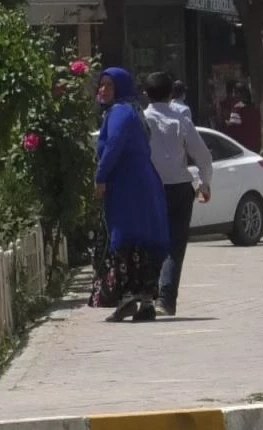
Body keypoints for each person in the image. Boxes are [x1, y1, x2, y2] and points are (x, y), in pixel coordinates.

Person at [94, 67, 170, 322]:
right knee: (144, 241)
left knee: (124, 240)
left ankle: (127, 299)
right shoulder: (132, 110)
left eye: (109, 86)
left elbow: (113, 146)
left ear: (121, 89)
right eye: (101, 85)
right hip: (143, 184)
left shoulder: (119, 113)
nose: (103, 90)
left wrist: (101, 177)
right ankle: (146, 302)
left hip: (128, 187)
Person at [143, 72, 214, 317]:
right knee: (175, 246)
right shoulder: (181, 120)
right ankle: (166, 300)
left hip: (151, 189)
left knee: (150, 242)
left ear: (146, 94)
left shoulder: (142, 121)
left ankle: (146, 296)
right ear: (172, 94)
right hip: (181, 189)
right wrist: (204, 184)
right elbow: (203, 156)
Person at [220, 81, 262, 152]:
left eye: (234, 92)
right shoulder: (255, 109)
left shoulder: (237, 109)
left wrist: (223, 122)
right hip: (256, 147)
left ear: (239, 94)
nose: (233, 95)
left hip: (242, 148)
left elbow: (233, 129)